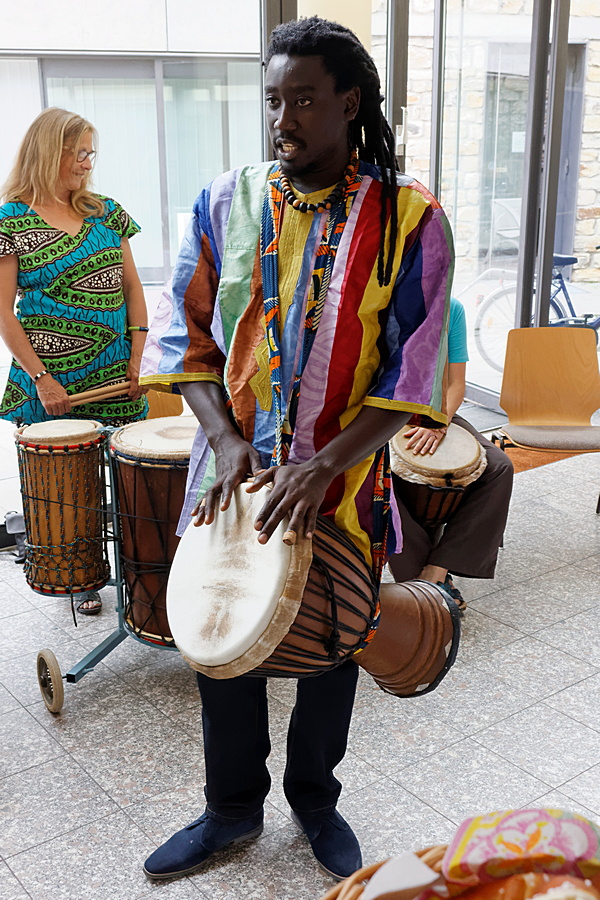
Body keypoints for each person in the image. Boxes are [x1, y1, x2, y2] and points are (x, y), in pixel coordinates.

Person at [139, 17, 453, 883]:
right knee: (221, 636)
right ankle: (230, 809)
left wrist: (323, 465)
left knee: (337, 639)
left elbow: (413, 370)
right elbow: (184, 337)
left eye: (304, 100)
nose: (283, 119)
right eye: (274, 99)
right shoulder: (222, 202)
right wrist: (224, 437)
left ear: (349, 104)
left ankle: (316, 799)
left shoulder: (410, 218)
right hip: (231, 479)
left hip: (343, 485)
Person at [0, 107, 148, 613]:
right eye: (78, 153)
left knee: (132, 486)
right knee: (72, 490)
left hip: (115, 373)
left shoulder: (106, 212)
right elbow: (3, 312)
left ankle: (141, 573)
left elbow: (133, 289)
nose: (87, 163)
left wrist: (137, 357)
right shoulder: (10, 219)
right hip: (50, 383)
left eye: (91, 153)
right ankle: (84, 576)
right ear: (48, 152)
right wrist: (42, 379)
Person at [387, 297, 514, 605]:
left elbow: (456, 383)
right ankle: (417, 581)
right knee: (380, 474)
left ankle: (436, 571)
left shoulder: (451, 308)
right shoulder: (379, 301)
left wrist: (438, 422)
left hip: (436, 412)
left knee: (499, 467)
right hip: (384, 415)